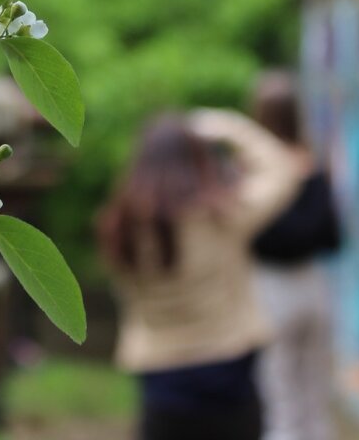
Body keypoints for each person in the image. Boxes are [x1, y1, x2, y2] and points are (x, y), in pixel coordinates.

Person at [97, 110, 306, 440]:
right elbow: (282, 170)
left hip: (161, 376)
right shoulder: (222, 216)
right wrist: (226, 126)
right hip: (228, 370)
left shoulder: (122, 226)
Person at [250, 72, 342, 440]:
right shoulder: (313, 167)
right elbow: (334, 237)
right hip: (313, 285)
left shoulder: (254, 171)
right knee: (315, 398)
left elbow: (252, 235)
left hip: (269, 289)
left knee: (279, 400)